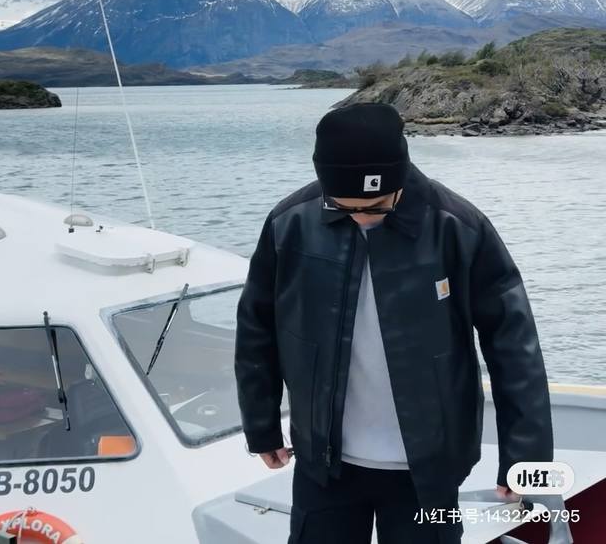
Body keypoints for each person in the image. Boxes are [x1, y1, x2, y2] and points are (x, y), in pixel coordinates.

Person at [234, 102, 554, 543]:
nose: (364, 217)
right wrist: (261, 425)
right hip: (324, 464)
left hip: (429, 469)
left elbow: (514, 346)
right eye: (346, 208)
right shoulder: (289, 223)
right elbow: (257, 328)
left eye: (379, 206)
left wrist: (526, 458)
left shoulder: (458, 226)